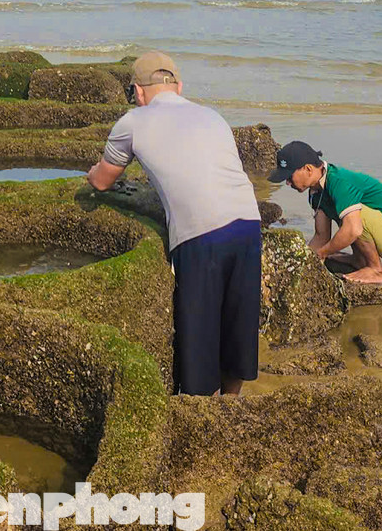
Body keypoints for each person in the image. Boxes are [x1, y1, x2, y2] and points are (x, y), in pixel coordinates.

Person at [86, 51, 261, 396]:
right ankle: (232, 402)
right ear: (179, 86)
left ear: (138, 91)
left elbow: (103, 181)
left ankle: (200, 409)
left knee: (200, 331)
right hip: (247, 222)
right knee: (237, 324)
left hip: (199, 233)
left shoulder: (132, 121)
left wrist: (91, 173)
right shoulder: (212, 115)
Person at [268, 141, 382, 284]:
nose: (287, 182)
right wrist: (301, 261)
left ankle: (376, 270)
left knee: (355, 219)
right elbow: (321, 236)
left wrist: (322, 253)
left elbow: (354, 229)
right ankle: (360, 260)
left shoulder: (339, 182)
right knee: (349, 218)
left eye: (289, 176)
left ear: (308, 169)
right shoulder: (316, 193)